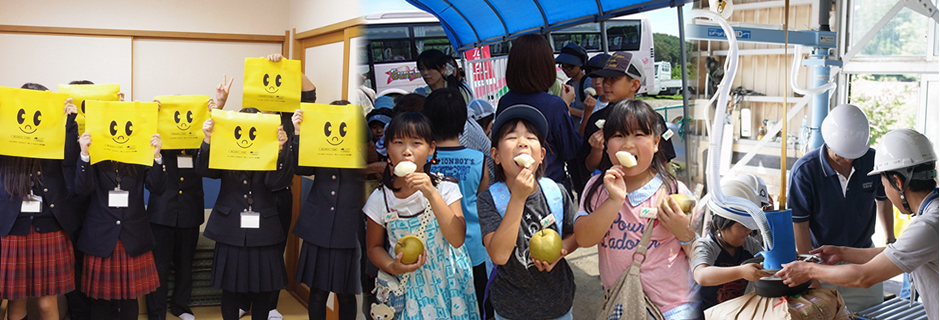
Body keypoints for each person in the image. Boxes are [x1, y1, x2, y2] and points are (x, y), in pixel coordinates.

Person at [777, 128, 939, 318]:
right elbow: (898, 252)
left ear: (897, 182)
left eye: (884, 184)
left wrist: (807, 269)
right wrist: (842, 252)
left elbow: (864, 276)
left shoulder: (928, 225)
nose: (885, 191)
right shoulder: (932, 215)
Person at [574, 100, 700, 319]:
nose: (627, 144)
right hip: (621, 305)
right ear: (606, 143)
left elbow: (703, 254)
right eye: (618, 136)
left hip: (675, 307)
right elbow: (583, 238)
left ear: (656, 143)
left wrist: (685, 233)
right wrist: (614, 200)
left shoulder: (673, 190)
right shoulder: (597, 188)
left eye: (639, 135)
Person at [363, 112, 480, 319]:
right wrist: (393, 266)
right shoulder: (380, 199)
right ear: (387, 148)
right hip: (409, 288)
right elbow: (373, 247)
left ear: (430, 149)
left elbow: (457, 238)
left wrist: (431, 193)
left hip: (450, 282)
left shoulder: (445, 188)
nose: (407, 151)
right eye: (399, 142)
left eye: (416, 143)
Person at [787, 104, 893, 312]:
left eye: (854, 154)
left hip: (863, 257)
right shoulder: (805, 171)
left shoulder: (871, 160)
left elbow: (884, 200)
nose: (848, 160)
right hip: (823, 262)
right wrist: (811, 271)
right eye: (842, 154)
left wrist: (890, 240)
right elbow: (799, 224)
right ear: (828, 142)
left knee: (871, 313)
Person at [478, 105, 579, 320]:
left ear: (541, 155)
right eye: (512, 137)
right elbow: (499, 255)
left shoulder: (556, 192)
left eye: (530, 137)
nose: (522, 142)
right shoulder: (489, 199)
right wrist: (517, 198)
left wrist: (560, 250)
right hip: (511, 309)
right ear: (495, 155)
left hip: (558, 304)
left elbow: (573, 235)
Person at [195, 108, 292, 320]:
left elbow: (275, 182)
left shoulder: (272, 149)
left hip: (263, 231)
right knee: (230, 290)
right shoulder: (224, 148)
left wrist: (282, 149)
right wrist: (208, 139)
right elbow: (203, 170)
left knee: (262, 291)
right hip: (230, 228)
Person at [0, 84, 81, 320]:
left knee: (47, 304)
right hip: (14, 229)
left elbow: (70, 161)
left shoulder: (56, 134)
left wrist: (69, 124)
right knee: (16, 305)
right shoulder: (6, 137)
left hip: (49, 227)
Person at [144, 92, 224, 320]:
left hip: (189, 212)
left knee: (184, 264)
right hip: (161, 214)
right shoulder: (158, 143)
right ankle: (156, 312)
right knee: (158, 266)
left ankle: (180, 306)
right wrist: (153, 116)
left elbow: (207, 164)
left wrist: (216, 108)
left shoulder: (199, 145)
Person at [75, 125, 165, 319]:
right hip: (101, 237)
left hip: (133, 235)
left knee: (130, 299)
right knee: (100, 300)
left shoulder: (138, 154)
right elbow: (82, 190)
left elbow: (157, 188)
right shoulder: (94, 154)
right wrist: (84, 154)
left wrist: (157, 156)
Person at [289, 101, 366, 320]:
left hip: (348, 231)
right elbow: (301, 168)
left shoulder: (360, 145)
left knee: (346, 295)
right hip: (319, 227)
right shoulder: (318, 142)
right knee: (317, 293)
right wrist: (298, 132)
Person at [423, 89, 491, 317]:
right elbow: (483, 202)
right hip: (474, 248)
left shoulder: (424, 162)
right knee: (478, 308)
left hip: (434, 252)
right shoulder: (478, 159)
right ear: (464, 120)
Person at [496, 34, 581, 190]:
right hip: (549, 189)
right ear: (546, 67)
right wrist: (566, 105)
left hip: (512, 187)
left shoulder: (505, 102)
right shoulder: (554, 105)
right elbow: (570, 150)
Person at [583, 51, 676, 175]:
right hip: (609, 187)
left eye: (614, 78)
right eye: (605, 78)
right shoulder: (596, 119)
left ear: (635, 85)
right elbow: (589, 166)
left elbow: (662, 161)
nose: (606, 84)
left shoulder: (652, 119)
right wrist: (596, 149)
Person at [691, 178, 770, 310]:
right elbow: (701, 275)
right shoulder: (705, 246)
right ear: (720, 224)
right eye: (743, 226)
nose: (748, 231)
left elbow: (767, 258)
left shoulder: (749, 244)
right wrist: (741, 271)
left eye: (750, 225)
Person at [554, 42, 592, 127]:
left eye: (570, 66)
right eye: (563, 66)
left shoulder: (587, 82)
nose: (566, 70)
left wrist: (569, 109)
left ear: (580, 65)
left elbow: (593, 112)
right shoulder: (569, 83)